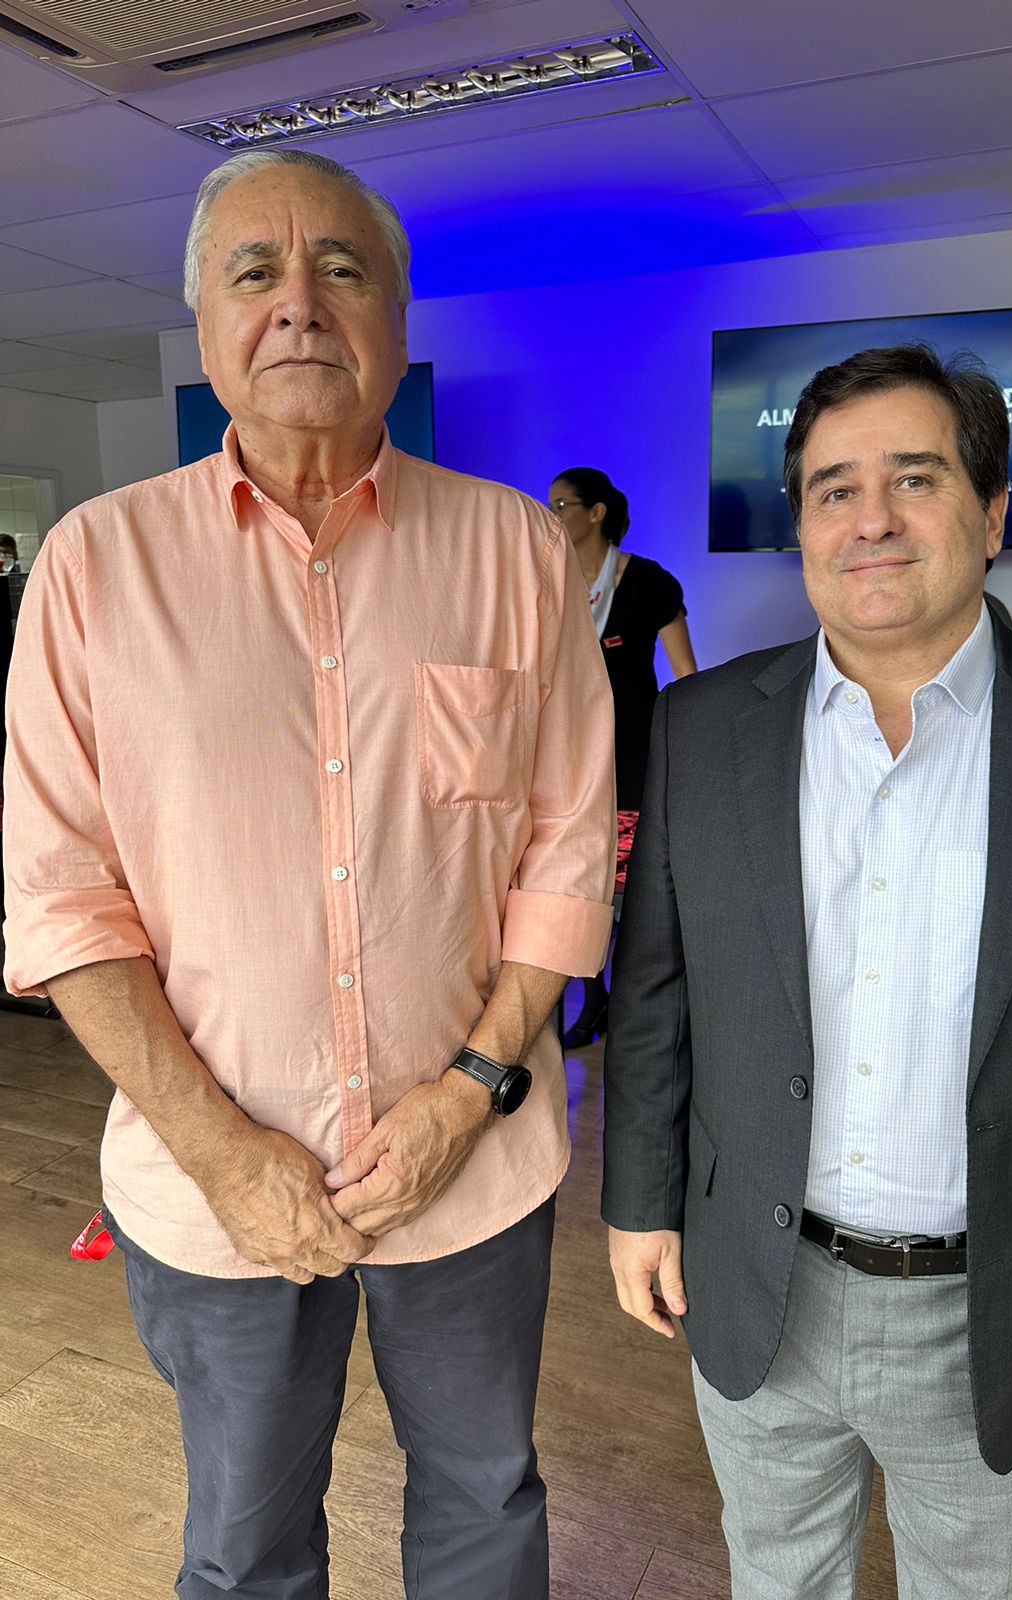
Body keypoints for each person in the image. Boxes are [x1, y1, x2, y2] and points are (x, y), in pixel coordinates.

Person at [3, 148, 615, 1600]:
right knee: (246, 1545)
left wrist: (467, 1095)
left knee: (484, 1502)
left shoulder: (516, 551)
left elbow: (566, 846)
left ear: (396, 318)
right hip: (209, 1189)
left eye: (341, 268)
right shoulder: (93, 568)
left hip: (468, 1166)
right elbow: (61, 901)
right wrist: (226, 1156)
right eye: (255, 271)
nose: (299, 303)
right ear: (207, 321)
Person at [602, 344, 1012, 1599]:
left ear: (993, 514)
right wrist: (639, 1201)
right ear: (801, 528)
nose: (870, 518)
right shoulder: (700, 730)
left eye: (915, 479)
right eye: (834, 489)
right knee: (776, 1577)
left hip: (1001, 1302)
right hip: (756, 1280)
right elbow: (655, 993)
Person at [548, 467, 697, 1046]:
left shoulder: (648, 582)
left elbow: (686, 675)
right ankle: (593, 1000)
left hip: (634, 755)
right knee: (577, 879)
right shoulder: (551, 579)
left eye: (562, 505)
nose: (553, 515)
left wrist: (688, 750)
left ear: (597, 513)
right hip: (569, 755)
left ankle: (628, 1002)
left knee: (624, 891)